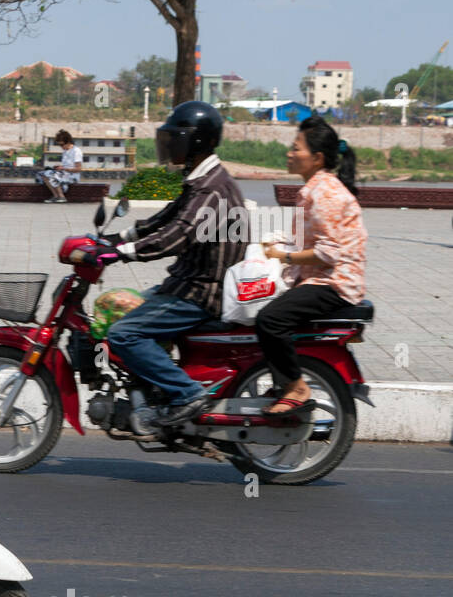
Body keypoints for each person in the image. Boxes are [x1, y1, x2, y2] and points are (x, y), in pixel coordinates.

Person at [93, 101, 247, 426]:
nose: (169, 145)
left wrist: (122, 253)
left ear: (195, 142)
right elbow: (163, 221)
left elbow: (177, 235)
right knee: (117, 307)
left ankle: (187, 393)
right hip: (188, 283)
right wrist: (114, 239)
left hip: (200, 293)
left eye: (175, 138)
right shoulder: (201, 181)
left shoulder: (211, 190)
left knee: (123, 334)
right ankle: (148, 387)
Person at [257, 117, 366, 415]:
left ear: (317, 158)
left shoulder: (325, 192)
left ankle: (296, 387)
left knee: (269, 320)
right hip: (318, 279)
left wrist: (283, 257)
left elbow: (328, 253)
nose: (289, 154)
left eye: (296, 149)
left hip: (333, 284)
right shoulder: (315, 188)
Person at [37, 130, 81, 202]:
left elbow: (78, 169)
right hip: (64, 173)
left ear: (68, 142)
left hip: (72, 175)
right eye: (59, 145)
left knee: (53, 175)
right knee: (44, 174)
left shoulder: (76, 151)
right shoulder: (65, 151)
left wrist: (64, 168)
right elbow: (66, 165)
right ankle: (56, 196)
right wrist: (59, 167)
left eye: (62, 145)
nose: (61, 147)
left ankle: (62, 196)